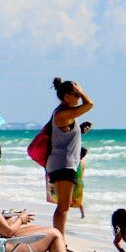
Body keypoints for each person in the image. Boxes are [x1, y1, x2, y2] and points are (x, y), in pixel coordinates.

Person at [46, 77, 93, 239]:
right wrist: (82, 91)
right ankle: (59, 240)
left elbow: (63, 136)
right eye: (76, 95)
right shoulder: (62, 113)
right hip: (63, 164)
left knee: (64, 206)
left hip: (64, 163)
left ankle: (59, 239)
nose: (79, 97)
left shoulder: (65, 113)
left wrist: (79, 130)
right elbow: (90, 105)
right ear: (66, 96)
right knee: (63, 207)